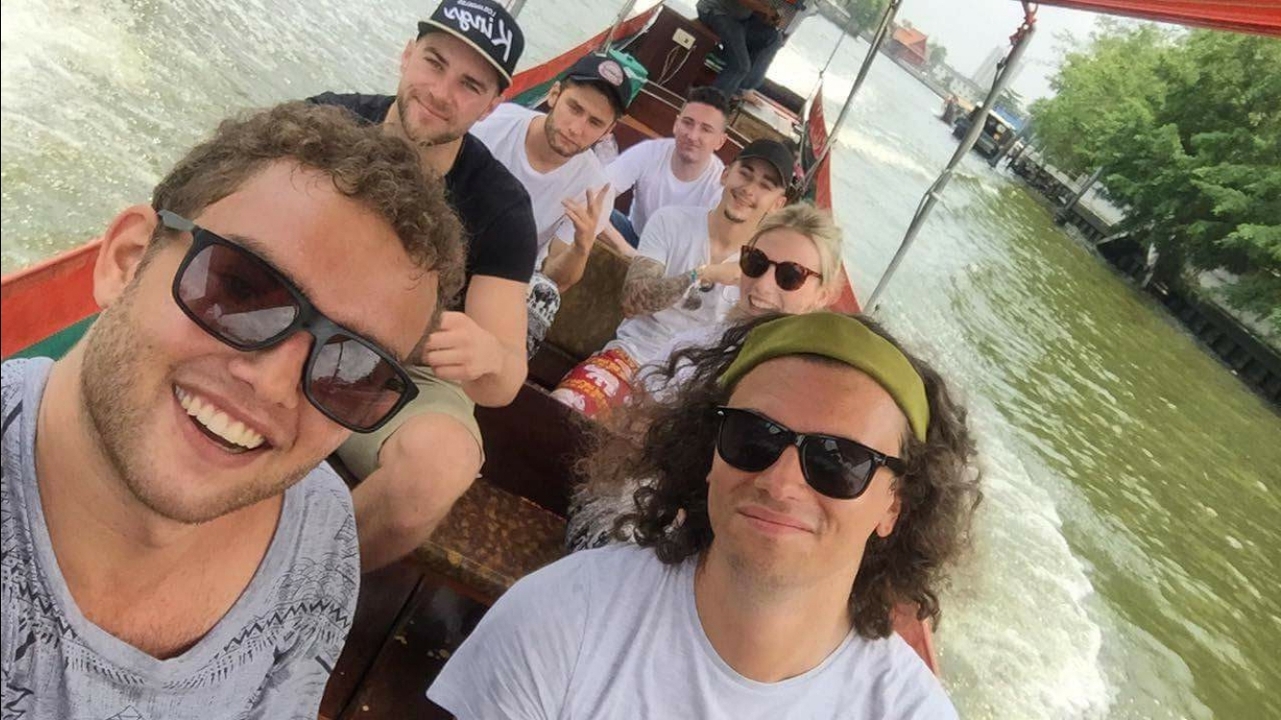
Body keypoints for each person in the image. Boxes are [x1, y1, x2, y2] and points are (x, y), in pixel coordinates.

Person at [0, 102, 464, 719]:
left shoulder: (320, 538)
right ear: (127, 259)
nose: (275, 385)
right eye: (240, 289)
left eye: (351, 367)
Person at [427, 311, 981, 718]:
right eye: (753, 435)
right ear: (708, 453)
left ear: (895, 505)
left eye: (840, 460)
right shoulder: (564, 616)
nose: (782, 482)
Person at [308, 0, 538, 571]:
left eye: (469, 84)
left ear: (491, 105)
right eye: (434, 63)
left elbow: (505, 378)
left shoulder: (502, 207)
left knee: (439, 468)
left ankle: (300, 592)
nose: (441, 92)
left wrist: (487, 355)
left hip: (402, 363)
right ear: (406, 55)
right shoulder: (322, 125)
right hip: (298, 311)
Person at [567, 202, 845, 549]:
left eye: (790, 276)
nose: (761, 285)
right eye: (755, 263)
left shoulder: (816, 394)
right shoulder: (693, 349)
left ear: (824, 293)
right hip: (640, 520)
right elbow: (628, 448)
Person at [551, 138, 794, 418]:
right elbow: (633, 302)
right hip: (629, 358)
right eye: (745, 173)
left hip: (688, 395)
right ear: (726, 174)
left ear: (778, 204)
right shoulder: (671, 221)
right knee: (563, 407)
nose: (749, 189)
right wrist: (702, 274)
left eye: (765, 185)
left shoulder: (766, 268)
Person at [470, 52, 636, 291]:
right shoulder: (491, 124)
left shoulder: (595, 190)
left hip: (502, 278)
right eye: (575, 108)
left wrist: (581, 247)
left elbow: (555, 279)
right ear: (554, 94)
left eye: (595, 123)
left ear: (608, 131)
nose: (576, 129)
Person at [602, 86, 731, 249]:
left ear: (720, 141)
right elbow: (594, 195)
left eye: (706, 129)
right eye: (687, 123)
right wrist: (625, 250)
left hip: (675, 261)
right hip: (632, 237)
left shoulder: (719, 187)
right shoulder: (650, 151)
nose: (692, 136)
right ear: (676, 124)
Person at [697, 0, 788, 100]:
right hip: (717, 12)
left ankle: (740, 87)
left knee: (774, 38)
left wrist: (772, 18)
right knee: (740, 66)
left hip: (741, 19)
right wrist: (768, 10)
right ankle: (710, 106)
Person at [738, 1, 818, 107]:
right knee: (773, 39)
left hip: (768, 23)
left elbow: (794, 17)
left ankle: (745, 85)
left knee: (775, 39)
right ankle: (744, 87)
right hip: (744, 18)